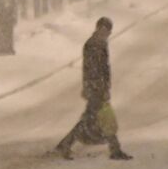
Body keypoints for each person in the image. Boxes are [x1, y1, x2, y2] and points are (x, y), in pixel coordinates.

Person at [55, 16, 132, 160]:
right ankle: (114, 150)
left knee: (91, 119)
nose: (106, 33)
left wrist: (104, 86)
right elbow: (92, 69)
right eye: (103, 29)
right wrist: (99, 88)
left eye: (108, 31)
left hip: (97, 87)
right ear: (98, 28)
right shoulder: (93, 44)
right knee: (104, 119)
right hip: (95, 88)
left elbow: (103, 68)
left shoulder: (100, 43)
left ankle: (65, 145)